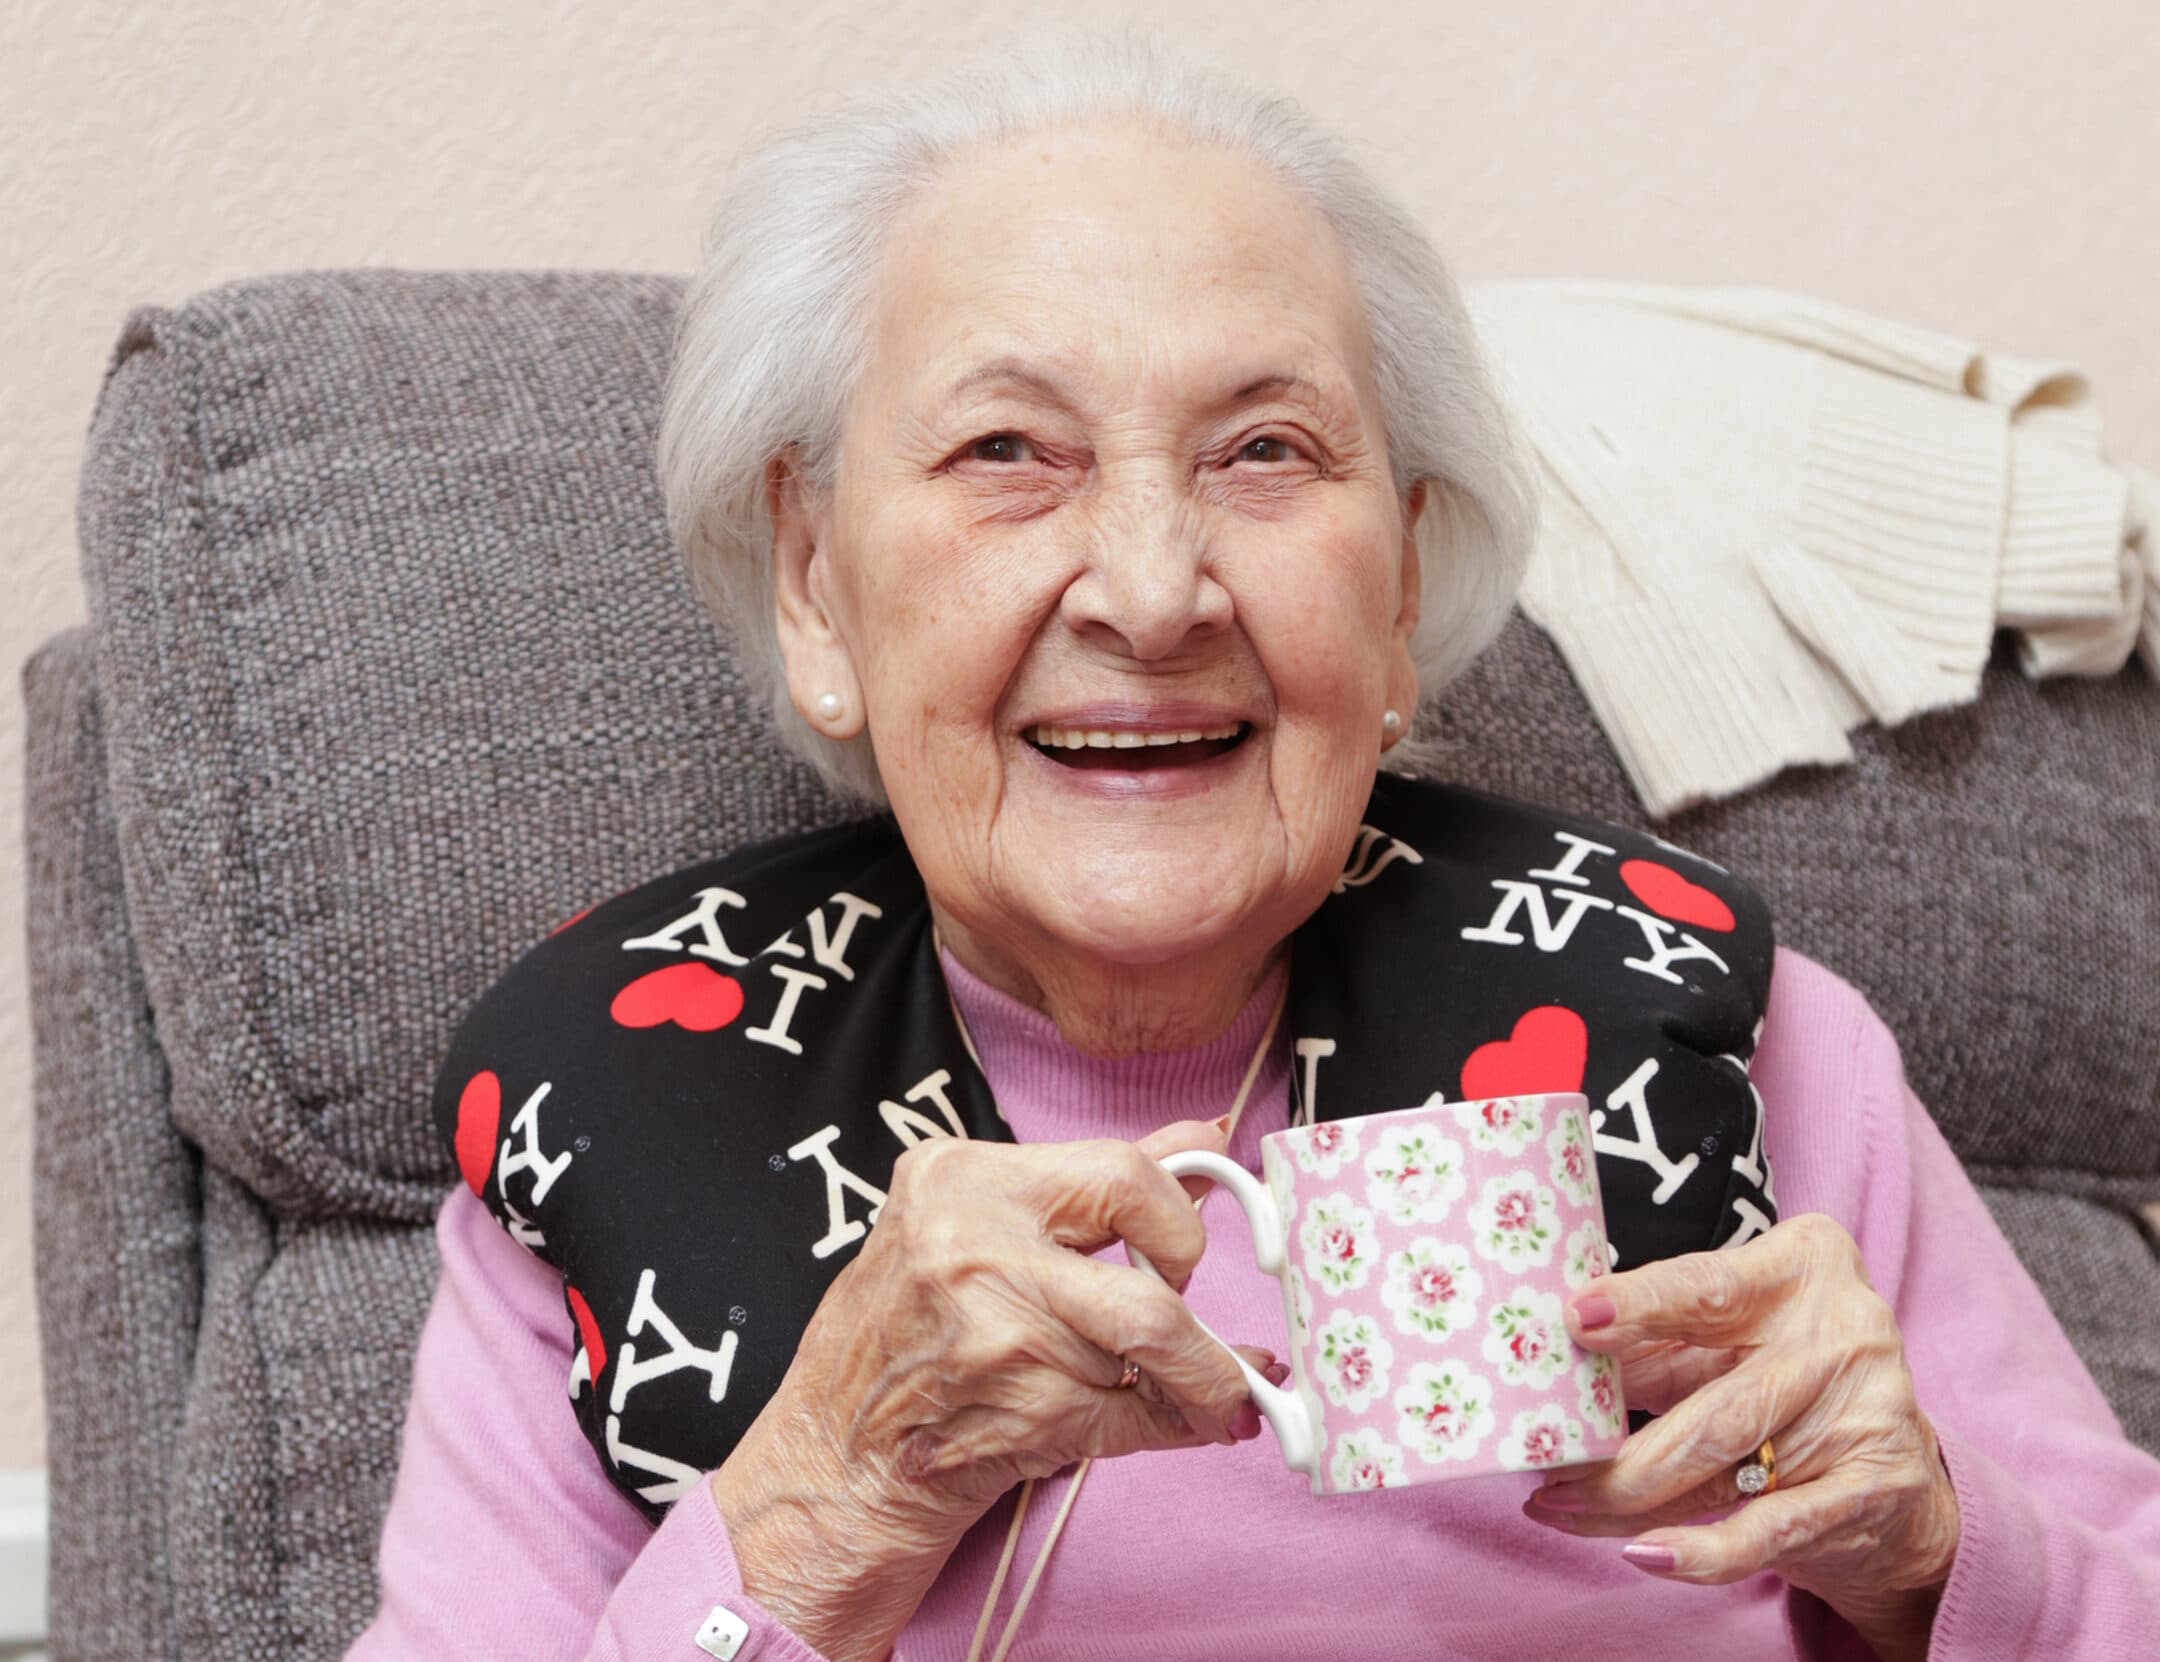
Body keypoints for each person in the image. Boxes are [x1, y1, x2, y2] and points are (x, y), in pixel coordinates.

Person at [347, 27, 2160, 1662]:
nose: (1150, 591)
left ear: (1396, 592)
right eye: (1006, 449)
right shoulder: (618, 1112)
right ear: (818, 581)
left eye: (1268, 451)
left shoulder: (1733, 1036)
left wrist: (1943, 1558)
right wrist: (824, 1506)